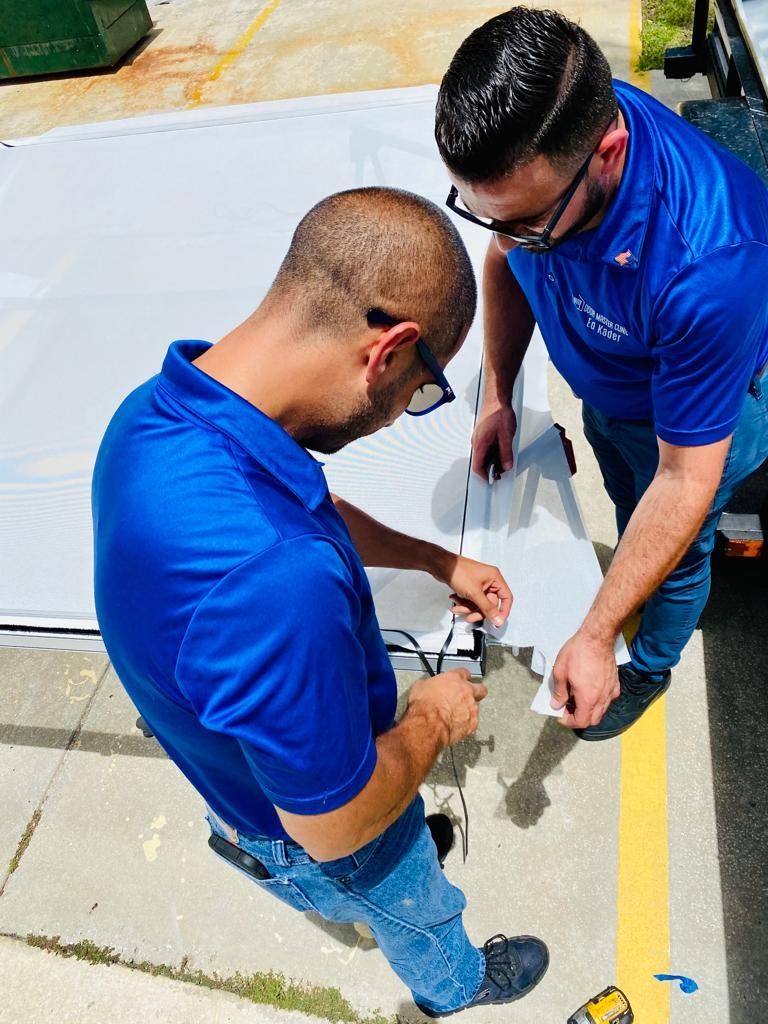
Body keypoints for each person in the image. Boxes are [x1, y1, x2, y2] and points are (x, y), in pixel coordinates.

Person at [91, 187, 549, 1017]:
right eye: (419, 393)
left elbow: (305, 509)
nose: (398, 418)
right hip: (320, 835)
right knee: (418, 905)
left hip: (236, 780)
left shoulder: (157, 415)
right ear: (391, 351)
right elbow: (335, 826)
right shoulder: (276, 583)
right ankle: (456, 986)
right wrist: (434, 720)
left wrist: (435, 559)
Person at [435, 7, 768, 740]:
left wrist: (592, 636)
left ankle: (647, 660)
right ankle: (629, 582)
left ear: (610, 151)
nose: (507, 237)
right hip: (616, 399)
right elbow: (505, 261)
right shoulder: (556, 151)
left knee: (679, 553)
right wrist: (498, 397)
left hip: (689, 427)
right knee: (628, 500)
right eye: (485, 213)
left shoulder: (707, 268)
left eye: (527, 222)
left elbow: (683, 480)